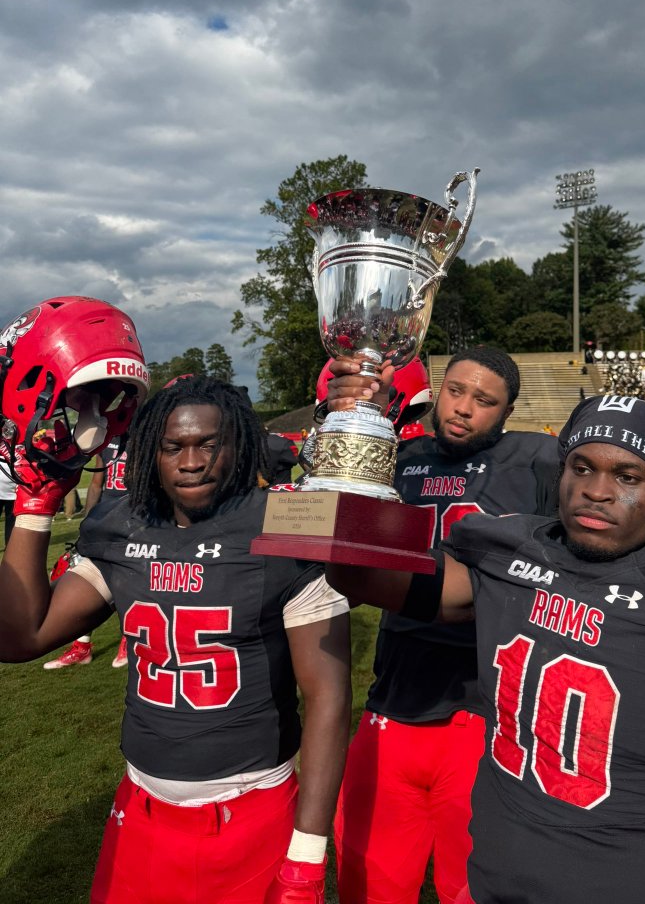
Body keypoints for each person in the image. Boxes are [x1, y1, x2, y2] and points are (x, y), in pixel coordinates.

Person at [325, 394, 645, 904]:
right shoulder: (511, 549)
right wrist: (352, 435)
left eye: (627, 477)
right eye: (581, 467)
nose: (595, 491)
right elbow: (357, 576)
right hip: (493, 881)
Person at [1, 369, 350, 899]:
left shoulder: (288, 524)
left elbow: (328, 696)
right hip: (140, 806)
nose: (191, 462)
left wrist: (306, 855)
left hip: (251, 805)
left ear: (240, 444)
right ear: (150, 453)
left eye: (209, 444)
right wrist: (33, 510)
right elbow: (20, 639)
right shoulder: (123, 526)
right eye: (173, 447)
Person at [325, 347, 560, 904]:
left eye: (485, 400)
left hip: (487, 702)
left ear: (507, 412)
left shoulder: (540, 460)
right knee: (368, 872)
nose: (463, 408)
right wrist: (354, 418)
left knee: (473, 882)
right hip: (396, 693)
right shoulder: (400, 460)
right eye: (456, 390)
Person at [44, 434, 131, 669]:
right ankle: (82, 647)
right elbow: (96, 484)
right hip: (106, 517)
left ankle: (130, 639)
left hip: (133, 518)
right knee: (73, 570)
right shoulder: (111, 439)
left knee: (127, 579)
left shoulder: (147, 436)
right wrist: (88, 524)